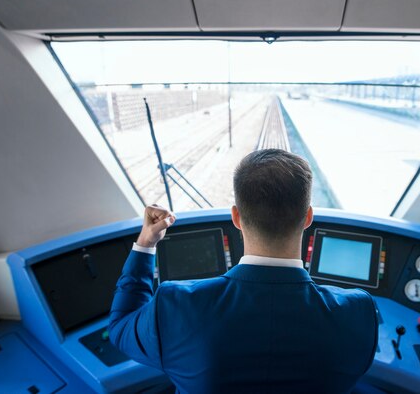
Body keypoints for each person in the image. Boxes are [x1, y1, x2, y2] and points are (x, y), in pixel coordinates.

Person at [109, 149, 378, 394]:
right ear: (308, 217)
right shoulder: (357, 313)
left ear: (235, 217)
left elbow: (120, 329)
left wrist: (145, 244)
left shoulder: (175, 306)